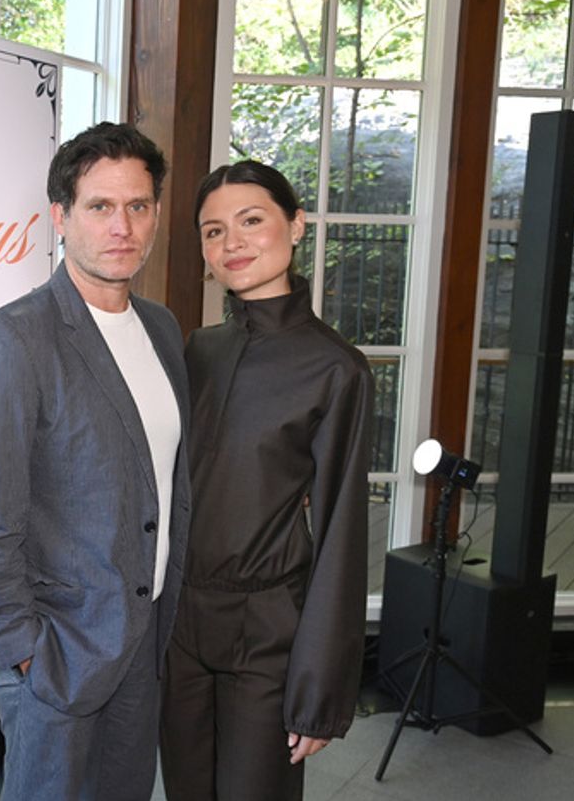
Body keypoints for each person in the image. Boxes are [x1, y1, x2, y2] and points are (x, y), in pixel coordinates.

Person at [0, 122, 191, 800]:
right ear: (60, 216)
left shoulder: (164, 330)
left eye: (138, 206)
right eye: (100, 206)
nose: (123, 226)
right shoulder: (13, 341)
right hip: (57, 651)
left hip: (142, 642)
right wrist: (23, 648)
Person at [159, 160, 374, 800]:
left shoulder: (337, 369)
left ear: (296, 225)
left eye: (252, 221)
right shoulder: (197, 348)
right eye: (214, 230)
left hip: (268, 632)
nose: (233, 244)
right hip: (181, 626)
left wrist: (320, 688)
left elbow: (341, 533)